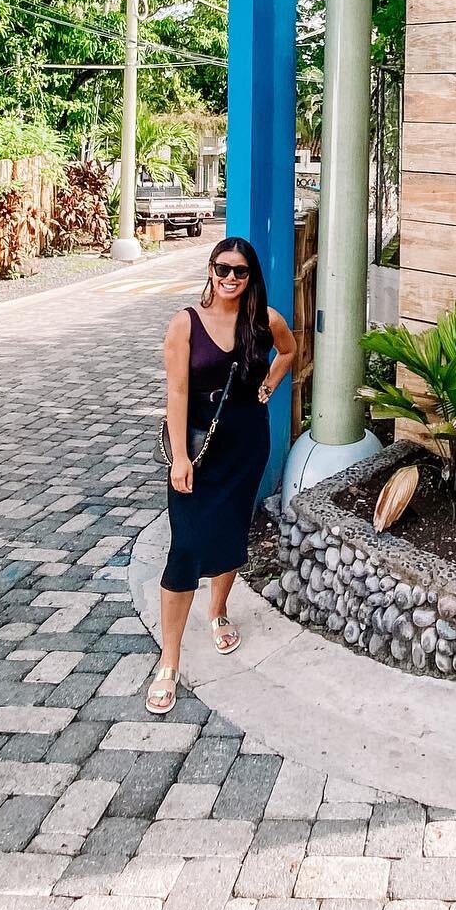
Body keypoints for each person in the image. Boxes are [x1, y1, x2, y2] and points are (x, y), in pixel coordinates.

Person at [146, 236, 296, 714]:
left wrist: (270, 383)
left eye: (240, 271)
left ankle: (217, 611)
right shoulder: (184, 324)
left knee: (232, 533)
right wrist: (179, 459)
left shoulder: (265, 321)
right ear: (210, 269)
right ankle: (169, 661)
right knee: (185, 547)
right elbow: (176, 394)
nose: (230, 278)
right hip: (198, 448)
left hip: (247, 445)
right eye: (222, 268)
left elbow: (290, 351)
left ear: (251, 277)